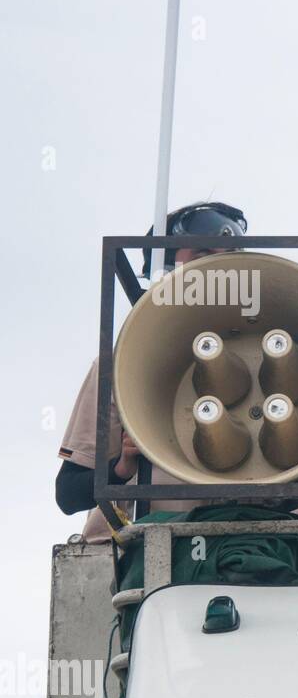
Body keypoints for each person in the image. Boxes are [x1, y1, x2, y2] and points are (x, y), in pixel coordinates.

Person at [55, 202, 249, 542]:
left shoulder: (262, 361)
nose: (220, 270)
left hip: (241, 547)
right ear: (167, 274)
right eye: (204, 255)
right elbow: (68, 492)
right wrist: (120, 469)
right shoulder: (121, 366)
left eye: (231, 257)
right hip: (135, 553)